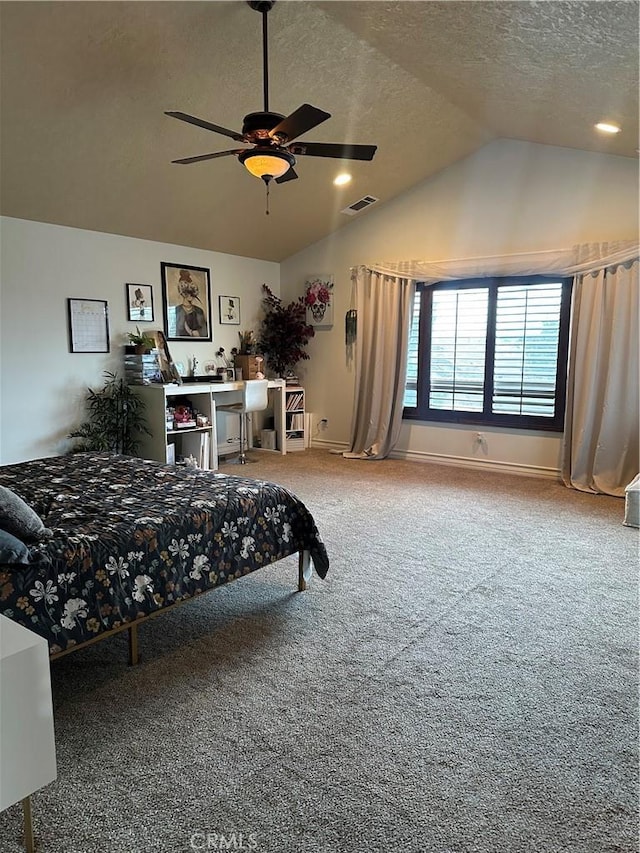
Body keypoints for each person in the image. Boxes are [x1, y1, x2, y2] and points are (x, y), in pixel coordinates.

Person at [175, 270, 207, 337]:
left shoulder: (199, 311)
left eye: (192, 293)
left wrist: (194, 332)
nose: (190, 296)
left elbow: (204, 333)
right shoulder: (177, 310)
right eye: (187, 293)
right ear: (182, 293)